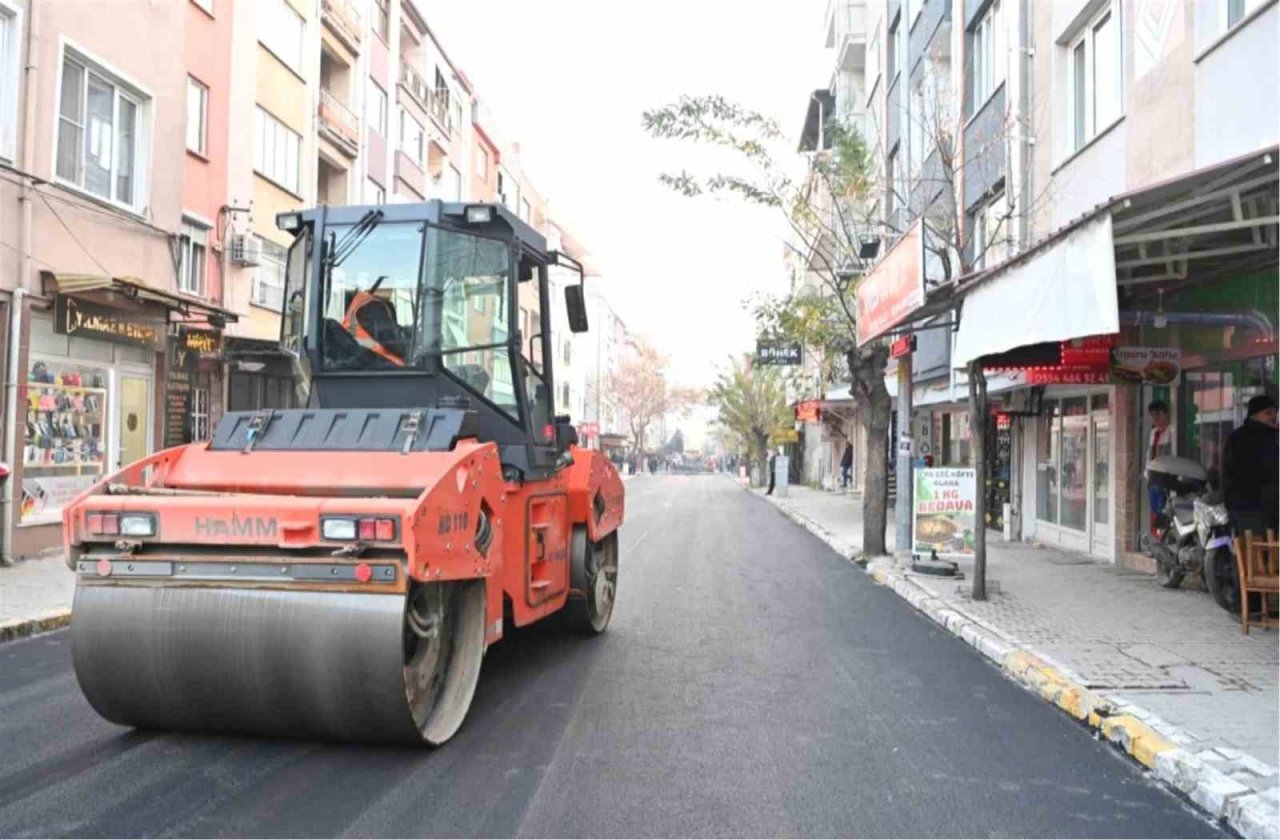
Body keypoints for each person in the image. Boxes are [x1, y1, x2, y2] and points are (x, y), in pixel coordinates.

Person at [1222, 394, 1279, 537]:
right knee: (1255, 551)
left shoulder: (1271, 436)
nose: (1273, 416)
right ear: (1254, 415)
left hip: (1263, 506)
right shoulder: (1243, 438)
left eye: (1274, 412)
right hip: (1251, 506)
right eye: (1268, 413)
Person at [1146, 400, 1175, 538]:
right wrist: (1147, 472)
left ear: (1166, 414)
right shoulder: (1153, 433)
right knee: (1154, 511)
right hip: (1153, 477)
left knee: (1163, 511)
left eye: (1158, 414)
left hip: (1165, 478)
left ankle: (1163, 539)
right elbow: (1149, 454)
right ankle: (1155, 541)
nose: (1155, 418)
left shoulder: (1171, 431)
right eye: (1152, 415)